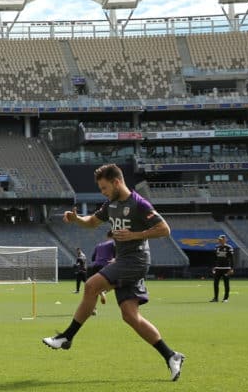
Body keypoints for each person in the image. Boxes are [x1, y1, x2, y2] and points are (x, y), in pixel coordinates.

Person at [43, 164, 185, 382]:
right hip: (125, 261)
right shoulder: (111, 204)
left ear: (117, 182)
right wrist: (76, 219)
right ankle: (171, 355)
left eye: (104, 187)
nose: (103, 192)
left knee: (91, 285)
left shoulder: (139, 204)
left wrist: (137, 234)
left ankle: (67, 336)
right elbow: (91, 222)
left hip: (135, 261)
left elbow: (164, 229)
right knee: (130, 316)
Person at [89, 230, 115, 311]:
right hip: (105, 265)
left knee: (93, 288)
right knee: (117, 283)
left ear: (107, 236)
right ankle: (104, 291)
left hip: (94, 266)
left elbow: (92, 258)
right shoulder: (113, 243)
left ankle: (93, 309)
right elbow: (117, 255)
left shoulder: (99, 245)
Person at [211, 234, 234, 303]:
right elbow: (215, 258)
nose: (220, 241)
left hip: (226, 268)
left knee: (226, 284)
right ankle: (215, 298)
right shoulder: (216, 247)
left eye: (221, 240)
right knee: (215, 283)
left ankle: (225, 298)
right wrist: (214, 266)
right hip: (218, 268)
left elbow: (232, 259)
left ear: (225, 240)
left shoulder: (229, 247)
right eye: (219, 240)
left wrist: (232, 268)